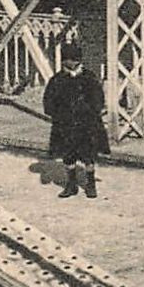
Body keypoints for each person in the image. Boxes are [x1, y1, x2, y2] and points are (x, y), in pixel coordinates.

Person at [43, 41, 110, 199]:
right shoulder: (57, 79)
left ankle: (90, 184)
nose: (71, 63)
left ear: (79, 60)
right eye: (67, 59)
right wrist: (56, 115)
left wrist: (92, 112)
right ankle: (71, 184)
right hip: (65, 124)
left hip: (86, 123)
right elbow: (49, 100)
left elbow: (98, 98)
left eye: (74, 59)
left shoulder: (89, 77)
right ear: (63, 61)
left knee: (88, 154)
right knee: (68, 154)